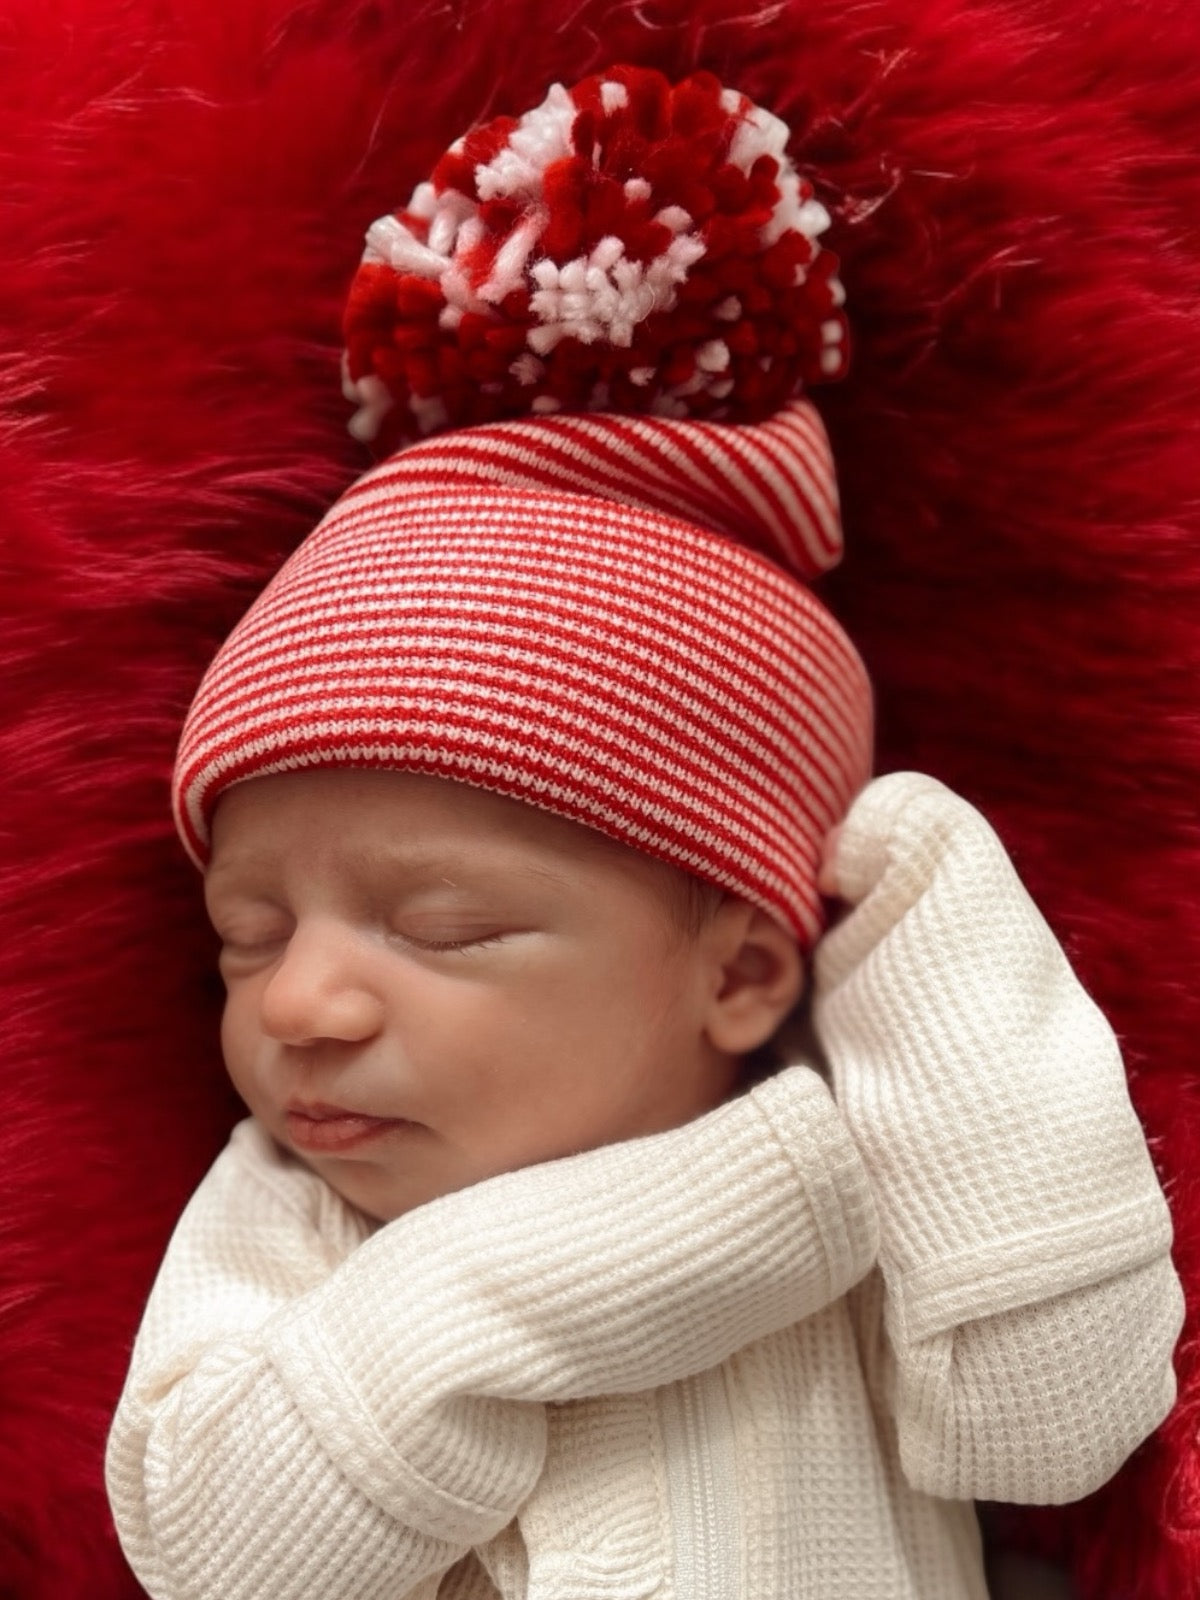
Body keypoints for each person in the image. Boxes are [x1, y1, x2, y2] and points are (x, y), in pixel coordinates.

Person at [106, 66, 1183, 1600]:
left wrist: (939, 926)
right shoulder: (288, 1214)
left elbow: (1050, 1425)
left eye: (444, 927)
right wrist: (744, 1219)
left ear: (743, 971)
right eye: (247, 937)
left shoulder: (891, 1164)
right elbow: (224, 1556)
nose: (297, 1006)